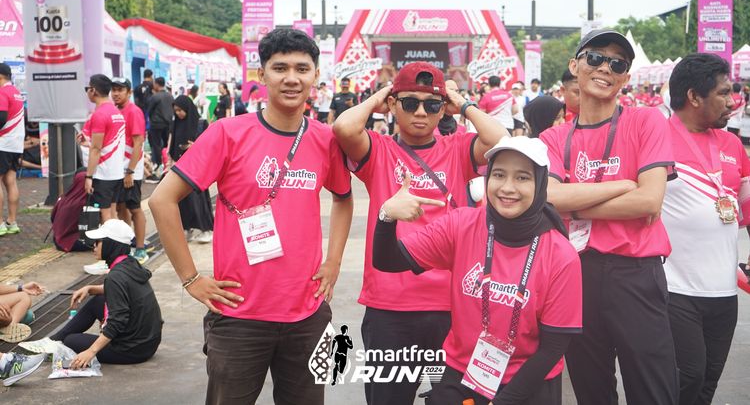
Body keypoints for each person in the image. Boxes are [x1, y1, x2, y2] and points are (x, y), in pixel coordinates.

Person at [149, 28, 353, 405]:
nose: (291, 78)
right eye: (280, 68)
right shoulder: (227, 133)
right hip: (238, 316)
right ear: (262, 75)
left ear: (315, 76)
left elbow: (343, 197)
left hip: (306, 314)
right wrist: (191, 279)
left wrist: (334, 260)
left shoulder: (325, 139)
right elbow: (162, 200)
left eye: (302, 69)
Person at [333, 61, 506, 404]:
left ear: (444, 108)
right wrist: (382, 95)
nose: (421, 113)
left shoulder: (458, 148)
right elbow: (343, 128)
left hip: (451, 306)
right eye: (410, 103)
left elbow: (500, 139)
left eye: (432, 104)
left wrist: (463, 103)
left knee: (451, 399)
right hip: (390, 308)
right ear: (393, 105)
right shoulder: (379, 149)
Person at [373, 136, 582, 404]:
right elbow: (388, 261)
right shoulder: (462, 225)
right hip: (462, 376)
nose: (507, 188)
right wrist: (387, 215)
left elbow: (553, 347)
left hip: (528, 384)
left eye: (522, 177)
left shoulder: (561, 256)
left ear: (540, 184)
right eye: (499, 174)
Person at [539, 29, 679, 404]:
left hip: (636, 274)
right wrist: (622, 186)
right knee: (592, 391)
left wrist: (572, 204)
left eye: (617, 64)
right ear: (575, 65)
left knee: (653, 391)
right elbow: (548, 198)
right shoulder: (553, 139)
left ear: (626, 77)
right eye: (596, 58)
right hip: (575, 274)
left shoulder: (646, 121)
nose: (605, 68)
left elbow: (648, 201)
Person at [661, 54, 750, 405]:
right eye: (724, 93)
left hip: (724, 291)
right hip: (674, 288)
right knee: (688, 375)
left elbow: (746, 206)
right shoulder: (656, 139)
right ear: (694, 96)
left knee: (707, 384)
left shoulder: (732, 145)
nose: (733, 102)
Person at [51, 219, 162, 368]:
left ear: (111, 244)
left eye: (98, 242)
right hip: (148, 343)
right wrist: (90, 288)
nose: (94, 246)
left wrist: (90, 352)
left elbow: (118, 321)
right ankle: (53, 340)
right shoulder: (130, 263)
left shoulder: (115, 277)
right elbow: (125, 290)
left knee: (70, 340)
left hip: (131, 350)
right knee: (97, 301)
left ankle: (54, 342)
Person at [110, 77, 148, 264]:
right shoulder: (116, 111)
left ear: (129, 92)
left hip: (131, 170)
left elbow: (138, 142)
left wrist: (130, 171)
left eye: (120, 90)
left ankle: (140, 248)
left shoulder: (134, 111)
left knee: (134, 208)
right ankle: (128, 244)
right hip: (119, 168)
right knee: (121, 207)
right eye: (114, 90)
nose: (116, 93)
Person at [79, 74, 125, 223]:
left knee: (105, 216)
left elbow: (96, 149)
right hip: (116, 172)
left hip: (103, 174)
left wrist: (89, 177)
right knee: (112, 213)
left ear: (93, 90)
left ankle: (106, 240)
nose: (87, 92)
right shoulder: (116, 112)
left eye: (87, 88)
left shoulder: (99, 115)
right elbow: (106, 143)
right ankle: (118, 239)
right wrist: (88, 142)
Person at [168, 95, 213, 244]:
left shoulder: (200, 123)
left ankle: (206, 230)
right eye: (176, 111)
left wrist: (195, 146)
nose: (178, 113)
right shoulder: (176, 124)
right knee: (183, 201)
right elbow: (172, 145)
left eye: (180, 110)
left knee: (198, 200)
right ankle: (187, 229)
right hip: (180, 167)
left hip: (196, 170)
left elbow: (210, 146)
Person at [0, 63, 25, 235]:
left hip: (3, 142)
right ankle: (12, 221)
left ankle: (0, 224)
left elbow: (1, 117)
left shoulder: (2, 92)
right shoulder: (16, 92)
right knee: (11, 181)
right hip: (16, 144)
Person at [146, 77, 173, 179]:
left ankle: (158, 164)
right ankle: (167, 163)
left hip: (156, 124)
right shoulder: (170, 96)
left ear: (157, 84)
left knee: (156, 145)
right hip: (168, 124)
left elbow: (149, 110)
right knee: (167, 145)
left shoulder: (155, 97)